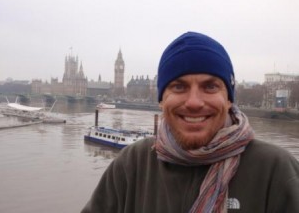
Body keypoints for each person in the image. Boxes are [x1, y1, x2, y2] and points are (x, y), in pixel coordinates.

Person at [81, 32, 299, 213]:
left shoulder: (276, 171)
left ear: (229, 98)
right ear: (161, 100)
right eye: (179, 86)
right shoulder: (132, 164)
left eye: (210, 86)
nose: (194, 102)